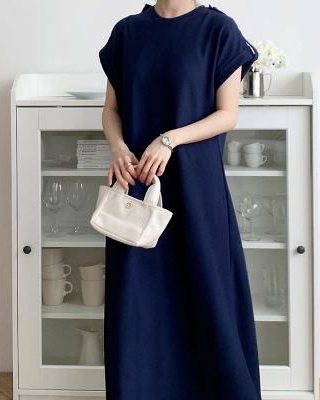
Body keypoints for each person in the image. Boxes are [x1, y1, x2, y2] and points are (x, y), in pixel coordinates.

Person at [99, 1, 261, 399]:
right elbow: (111, 110)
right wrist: (119, 148)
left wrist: (169, 139)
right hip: (138, 185)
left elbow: (227, 114)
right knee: (138, 302)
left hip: (197, 188)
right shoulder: (127, 33)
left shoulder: (219, 30)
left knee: (207, 293)